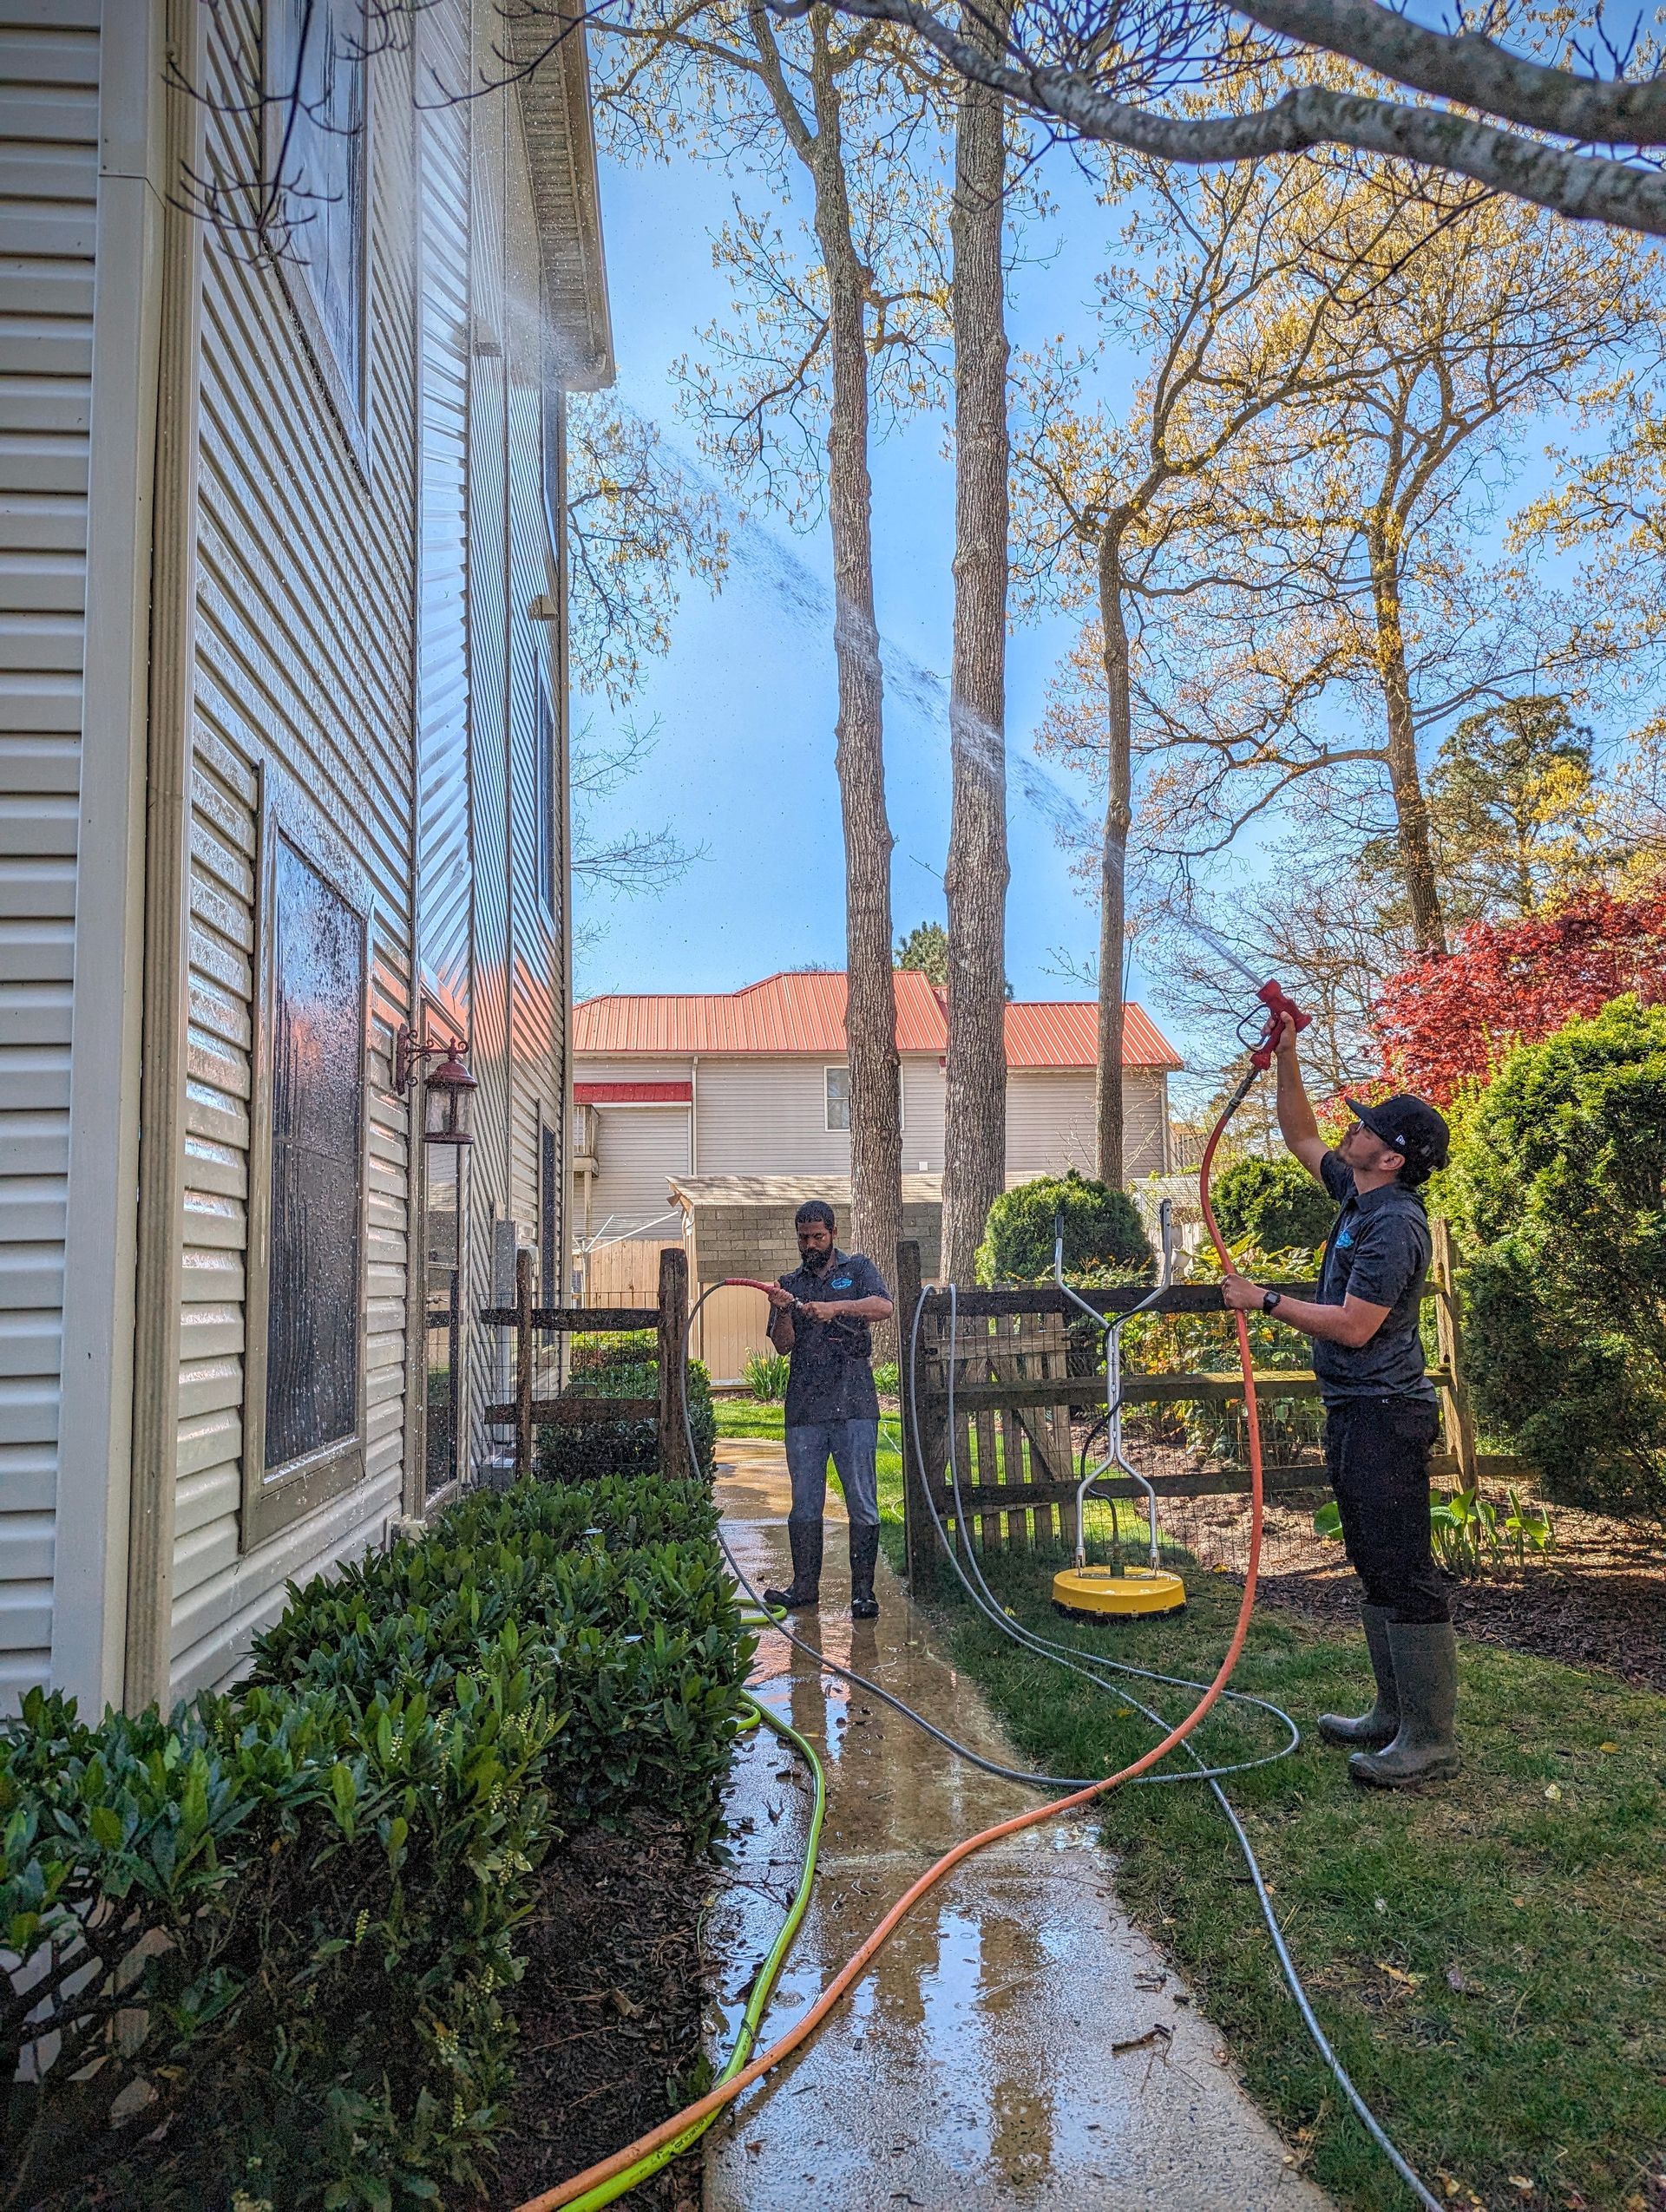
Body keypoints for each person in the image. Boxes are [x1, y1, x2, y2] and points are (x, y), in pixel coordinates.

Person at [1221, 1018, 1457, 1787]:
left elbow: (1356, 1327)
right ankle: (1392, 1716)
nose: (1350, 1132)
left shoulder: (1395, 1223)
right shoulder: (1358, 1195)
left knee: (1405, 1567)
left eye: (1368, 1130)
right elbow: (1298, 1134)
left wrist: (1266, 1301)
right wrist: (1287, 1049)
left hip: (1387, 1410)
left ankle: (1428, 1738)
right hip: (1358, 1410)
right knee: (1372, 1561)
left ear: (1391, 1157)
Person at [758, 1201, 894, 1622]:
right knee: (804, 1505)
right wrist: (783, 1310)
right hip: (805, 1410)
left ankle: (863, 1592)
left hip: (854, 1404)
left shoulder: (857, 1270)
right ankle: (803, 1588)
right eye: (803, 1238)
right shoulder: (789, 1283)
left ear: (833, 1232)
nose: (810, 1244)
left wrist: (837, 1308)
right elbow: (782, 1345)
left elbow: (884, 1307)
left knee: (862, 1503)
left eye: (817, 1236)